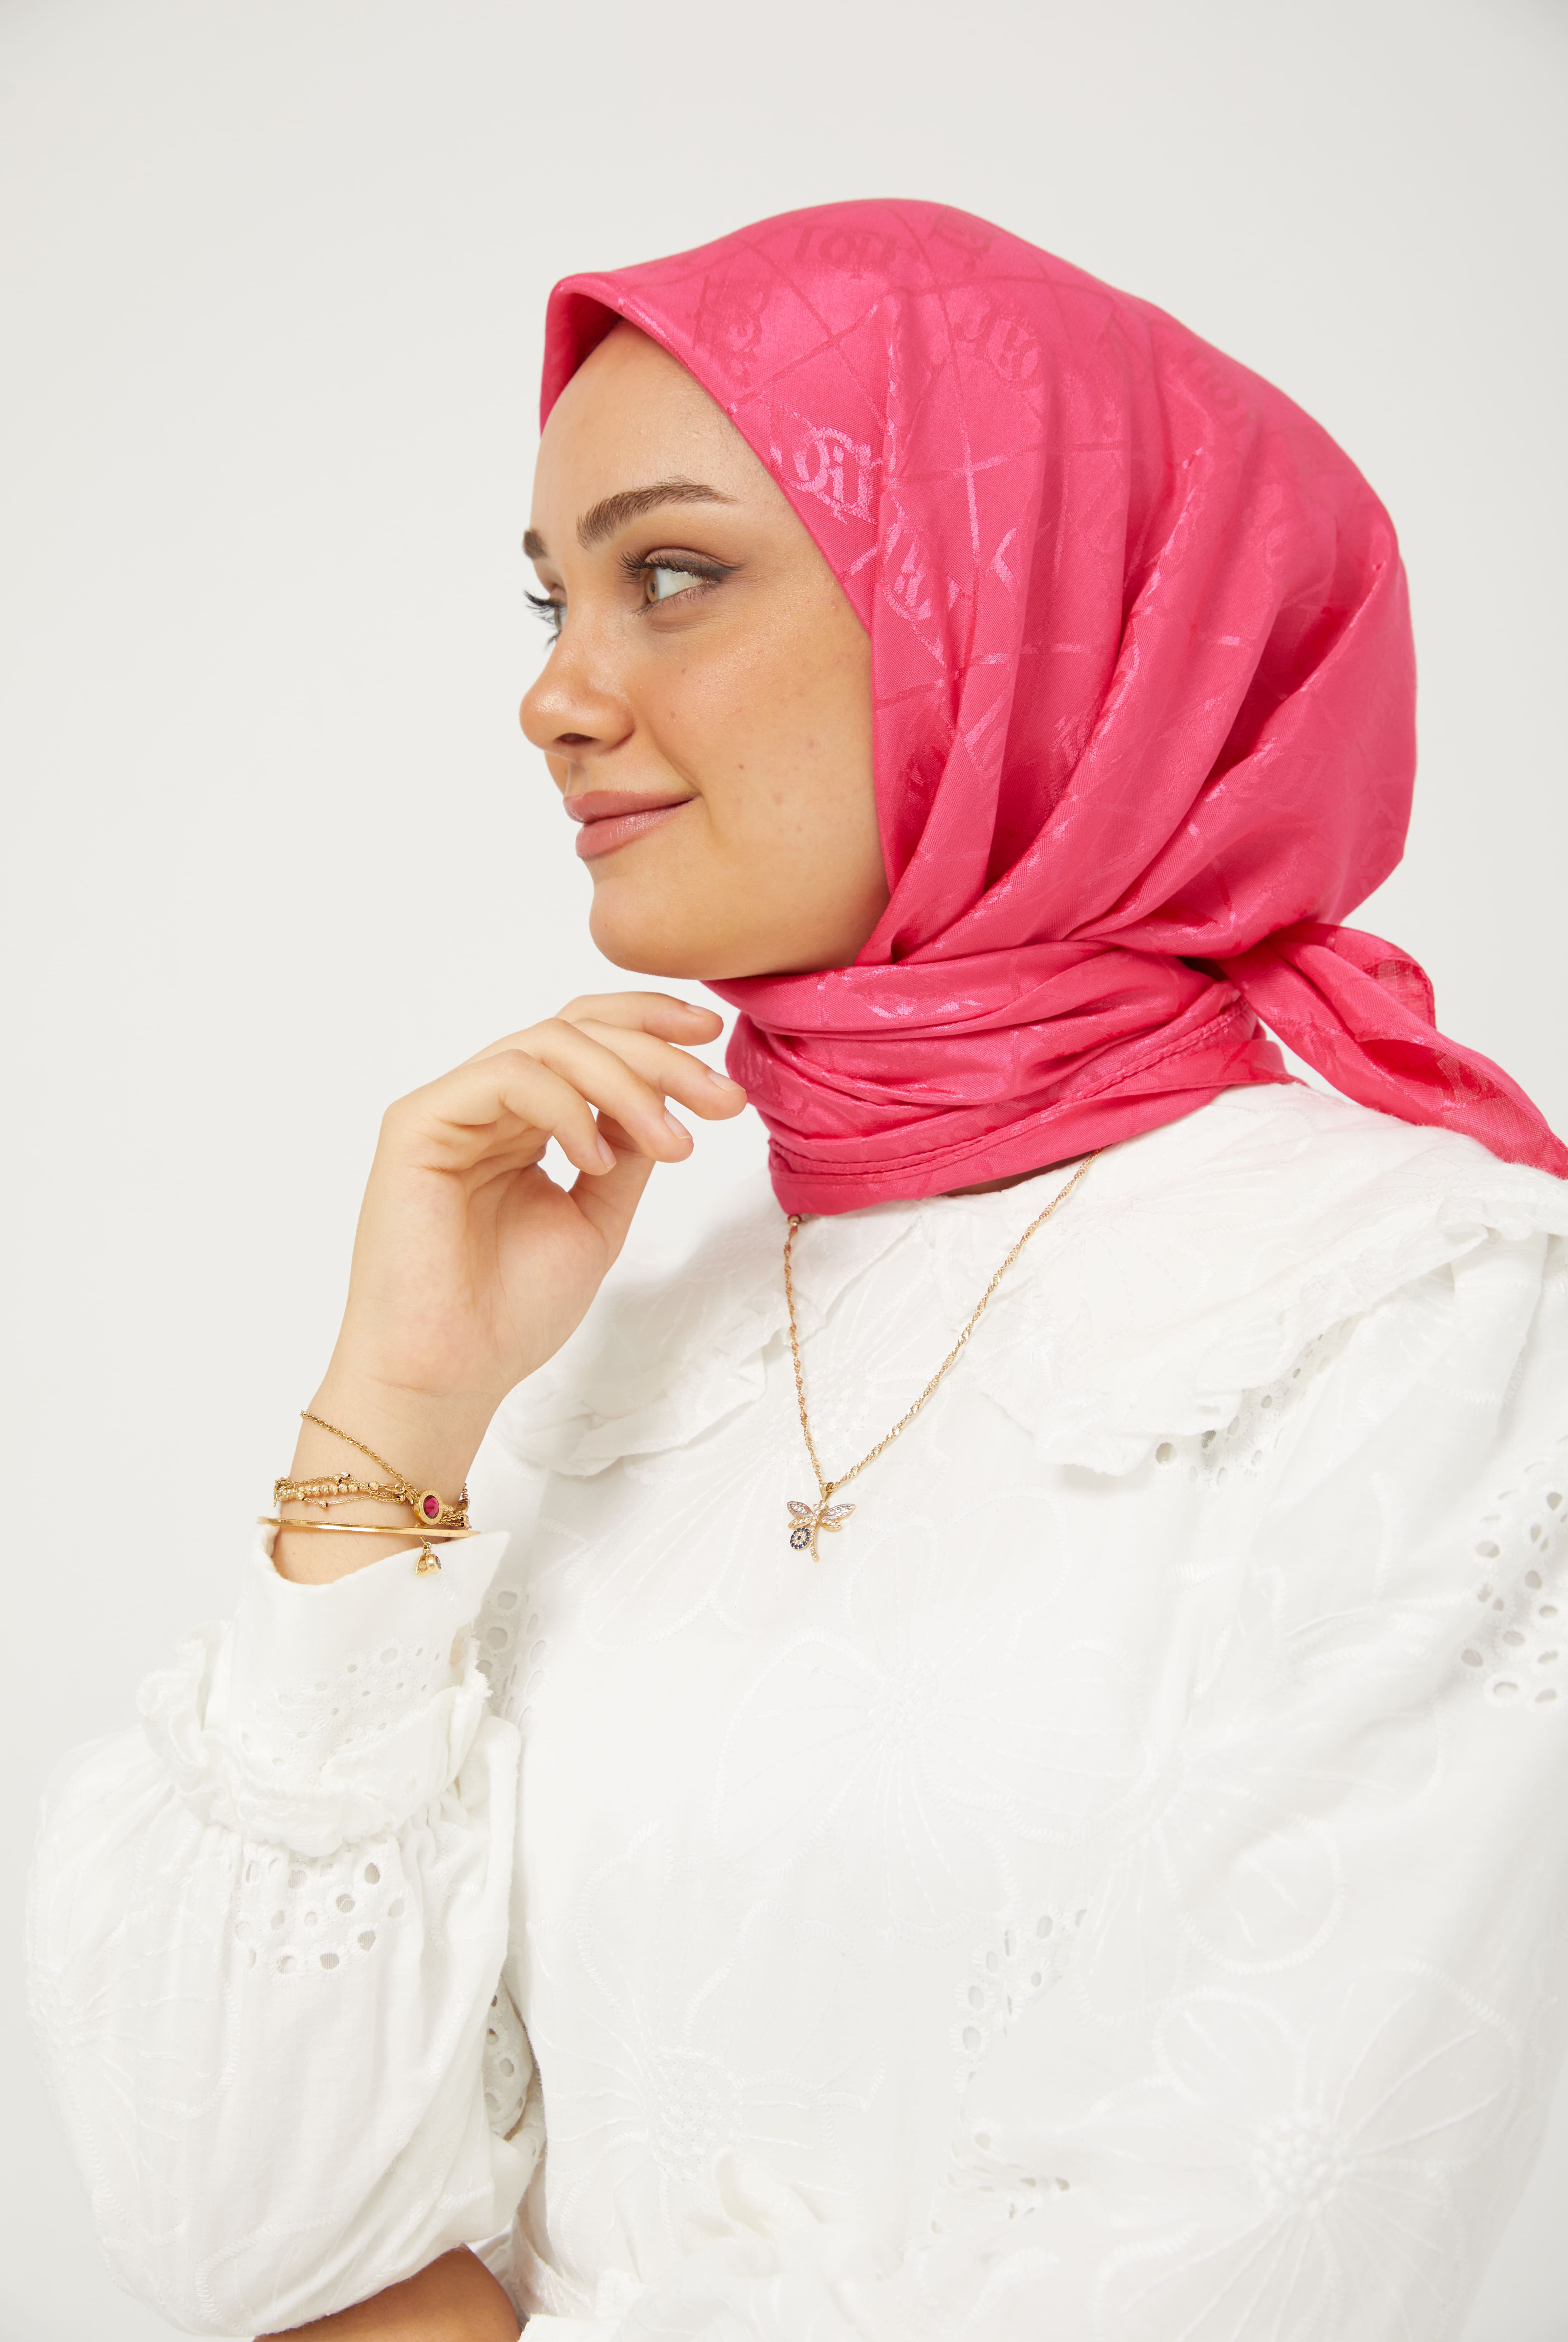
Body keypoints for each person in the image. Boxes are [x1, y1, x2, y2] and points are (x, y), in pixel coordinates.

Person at [27, 199, 1568, 2342]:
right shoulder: (642, 1332)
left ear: (1029, 617)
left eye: (671, 575)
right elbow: (226, 2215)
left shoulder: (1425, 1318)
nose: (555, 698)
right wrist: (400, 1407)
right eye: (553, 598)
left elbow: (1229, 2274)